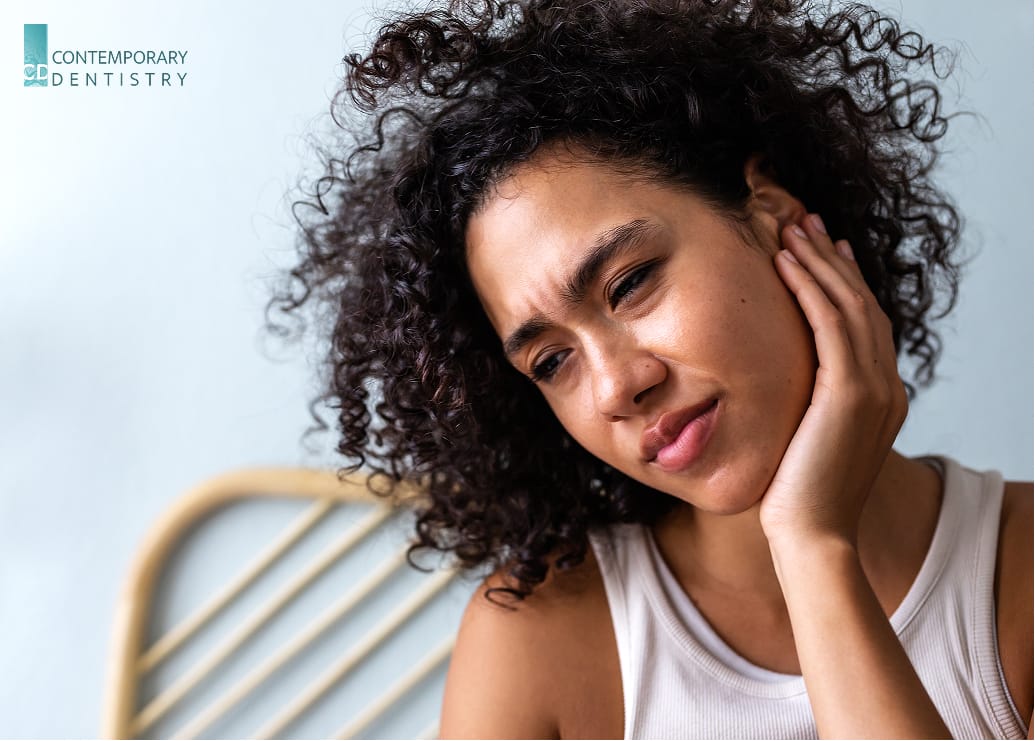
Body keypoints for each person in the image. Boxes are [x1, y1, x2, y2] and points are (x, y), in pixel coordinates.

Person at [270, 0, 1032, 737]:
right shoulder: (539, 638)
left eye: (629, 283)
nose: (614, 387)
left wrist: (811, 544)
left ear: (770, 211)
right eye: (552, 360)